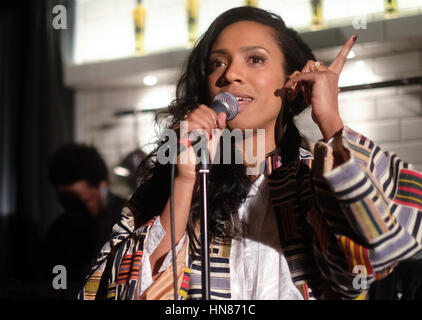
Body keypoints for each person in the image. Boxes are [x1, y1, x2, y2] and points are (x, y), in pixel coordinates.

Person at [79, 6, 422, 300]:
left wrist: (330, 121)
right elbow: (114, 288)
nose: (230, 74)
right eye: (217, 64)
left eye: (255, 59)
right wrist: (184, 181)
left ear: (292, 84)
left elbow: (387, 245)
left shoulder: (312, 180)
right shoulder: (172, 184)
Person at [43, 143, 127, 298]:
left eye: (78, 202)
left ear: (102, 186)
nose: (71, 211)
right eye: (64, 201)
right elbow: (55, 283)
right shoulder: (58, 230)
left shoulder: (130, 220)